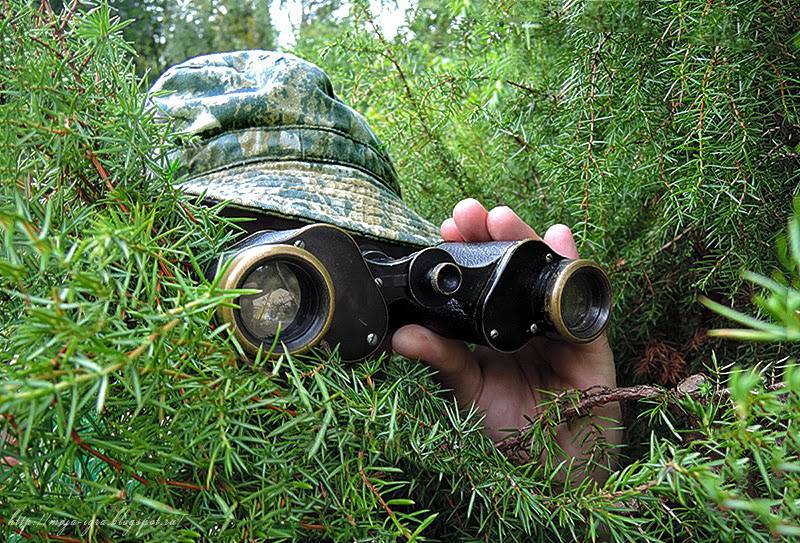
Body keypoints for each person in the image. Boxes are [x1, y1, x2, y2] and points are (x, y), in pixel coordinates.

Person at [148, 50, 621, 480]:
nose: (314, 325)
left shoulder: (413, 450)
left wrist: (563, 478)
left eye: (356, 255)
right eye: (269, 269)